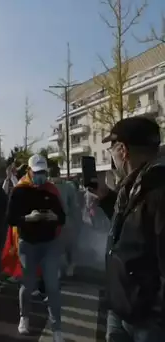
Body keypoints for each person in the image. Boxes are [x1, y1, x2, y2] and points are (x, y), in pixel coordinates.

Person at [95, 117, 165, 341]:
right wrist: (107, 199)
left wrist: (155, 314)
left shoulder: (158, 191)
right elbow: (133, 228)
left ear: (123, 150)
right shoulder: (134, 187)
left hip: (147, 320)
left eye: (111, 150)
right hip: (122, 307)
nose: (111, 157)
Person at [6, 154, 65, 341]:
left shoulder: (52, 190)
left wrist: (54, 218)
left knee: (53, 286)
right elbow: (10, 218)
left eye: (43, 172)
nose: (41, 176)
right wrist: (27, 219)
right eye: (37, 172)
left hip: (49, 244)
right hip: (28, 244)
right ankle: (24, 317)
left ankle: (57, 328)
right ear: (29, 171)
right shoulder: (19, 191)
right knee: (28, 283)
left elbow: (63, 217)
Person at [48, 165, 80, 277]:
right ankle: (56, 268)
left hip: (66, 220)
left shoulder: (68, 187)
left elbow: (74, 205)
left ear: (58, 175)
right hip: (52, 221)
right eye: (51, 177)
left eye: (54, 177)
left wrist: (75, 220)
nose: (53, 180)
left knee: (68, 245)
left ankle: (71, 264)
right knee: (53, 245)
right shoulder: (48, 187)